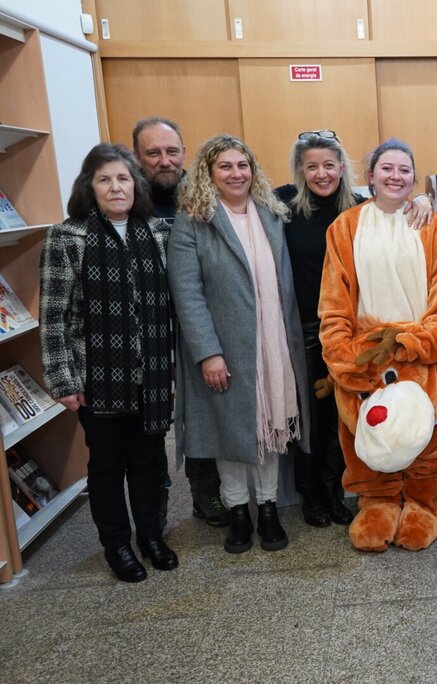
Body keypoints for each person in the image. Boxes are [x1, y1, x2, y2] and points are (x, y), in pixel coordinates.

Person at [275, 129, 433, 528]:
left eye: (329, 165)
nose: (322, 173)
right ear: (300, 171)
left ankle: (335, 492)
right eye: (312, 166)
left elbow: (396, 208)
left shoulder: (361, 209)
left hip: (357, 334)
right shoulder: (282, 207)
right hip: (308, 327)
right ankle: (311, 494)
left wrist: (424, 198)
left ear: (344, 169)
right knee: (314, 415)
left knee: (346, 415)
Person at [39, 143, 177, 583]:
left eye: (123, 178)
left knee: (149, 460)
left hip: (151, 373)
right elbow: (53, 316)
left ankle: (151, 535)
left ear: (135, 185)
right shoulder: (68, 237)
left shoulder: (157, 231)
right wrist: (63, 378)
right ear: (90, 187)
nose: (116, 187)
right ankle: (117, 544)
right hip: (95, 376)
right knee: (106, 465)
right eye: (105, 179)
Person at [168, 134, 309, 554]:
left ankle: (267, 509)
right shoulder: (192, 220)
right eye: (225, 166)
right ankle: (238, 512)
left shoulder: (271, 213)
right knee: (230, 432)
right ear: (208, 173)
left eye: (242, 165)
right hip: (225, 348)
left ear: (253, 170)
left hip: (273, 344)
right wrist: (208, 353)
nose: (236, 173)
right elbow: (187, 294)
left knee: (270, 427)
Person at [319, 138, 437, 552]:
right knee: (367, 432)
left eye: (404, 170)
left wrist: (421, 342)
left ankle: (422, 506)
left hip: (421, 353)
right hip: (365, 353)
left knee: (428, 437)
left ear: (414, 178)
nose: (395, 176)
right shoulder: (345, 227)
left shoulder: (435, 227)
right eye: (387, 169)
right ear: (370, 177)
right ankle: (378, 504)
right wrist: (342, 353)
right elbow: (334, 301)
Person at [132, 116, 229, 528]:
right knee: (156, 418)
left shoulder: (206, 194)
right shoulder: (128, 201)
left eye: (172, 151)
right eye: (153, 153)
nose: (164, 161)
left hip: (203, 319)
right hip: (146, 327)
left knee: (204, 406)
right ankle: (157, 501)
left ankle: (208, 489)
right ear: (138, 158)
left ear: (184, 153)